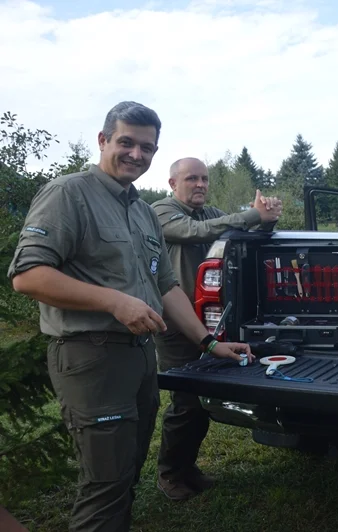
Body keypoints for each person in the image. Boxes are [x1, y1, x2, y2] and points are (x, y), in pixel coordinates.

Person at [7, 101, 254, 532]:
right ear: (103, 140)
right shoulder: (68, 194)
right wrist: (113, 301)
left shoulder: (142, 210)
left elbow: (166, 287)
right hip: (91, 356)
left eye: (147, 147)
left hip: (139, 357)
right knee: (105, 484)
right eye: (127, 142)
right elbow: (28, 275)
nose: (137, 154)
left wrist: (209, 343)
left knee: (128, 470)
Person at [151, 157, 282, 500]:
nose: (200, 185)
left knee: (203, 398)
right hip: (176, 325)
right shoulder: (162, 212)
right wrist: (251, 214)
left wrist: (266, 220)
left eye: (204, 179)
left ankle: (187, 468)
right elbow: (196, 232)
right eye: (191, 178)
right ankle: (170, 474)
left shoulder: (209, 213)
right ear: (172, 183)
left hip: (212, 322)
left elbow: (241, 236)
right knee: (186, 402)